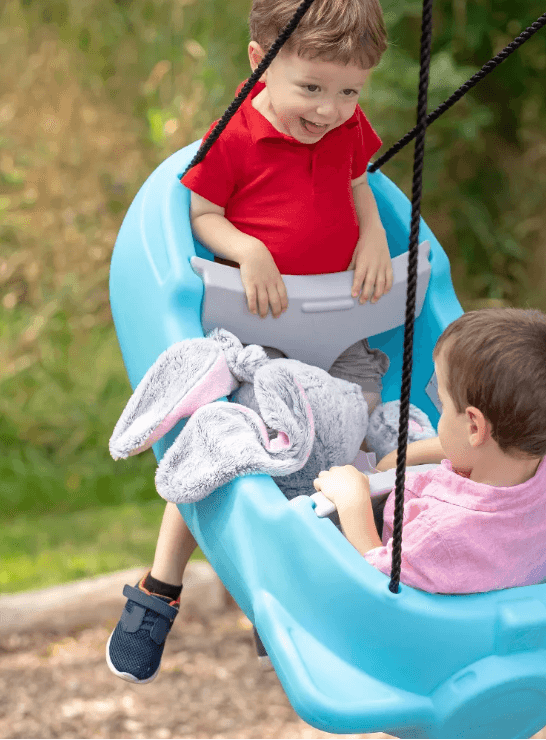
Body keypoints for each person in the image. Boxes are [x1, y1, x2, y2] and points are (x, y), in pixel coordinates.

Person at [106, 0, 390, 684]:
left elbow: (360, 183)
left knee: (351, 434)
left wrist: (375, 237)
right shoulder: (233, 134)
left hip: (339, 335)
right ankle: (160, 587)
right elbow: (202, 214)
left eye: (349, 92)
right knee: (225, 445)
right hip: (262, 339)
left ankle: (296, 581)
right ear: (261, 62)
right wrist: (248, 249)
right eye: (312, 88)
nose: (329, 110)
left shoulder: (347, 128)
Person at [314, 308, 546, 594]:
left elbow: (382, 578)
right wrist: (409, 453)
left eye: (443, 404)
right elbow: (485, 447)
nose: (441, 412)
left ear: (475, 427)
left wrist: (353, 501)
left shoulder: (439, 533)